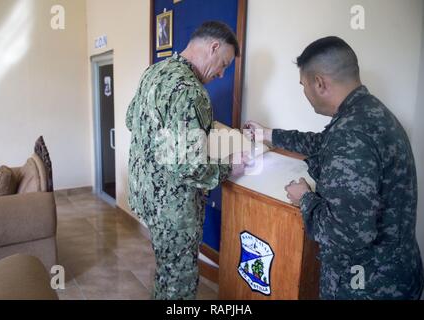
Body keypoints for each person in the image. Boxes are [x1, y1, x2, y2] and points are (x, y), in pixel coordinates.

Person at [245, 36, 424, 300]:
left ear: (319, 83)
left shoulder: (351, 134)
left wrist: (304, 198)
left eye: (303, 85)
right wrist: (269, 134)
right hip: (394, 274)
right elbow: (323, 142)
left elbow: (348, 234)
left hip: (366, 286)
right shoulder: (368, 113)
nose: (304, 93)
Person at [126, 21, 246, 300]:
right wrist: (231, 166)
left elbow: (132, 120)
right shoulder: (191, 91)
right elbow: (189, 167)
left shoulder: (154, 72)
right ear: (213, 47)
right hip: (173, 209)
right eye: (224, 64)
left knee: (166, 269)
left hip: (145, 195)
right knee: (179, 282)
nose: (221, 73)